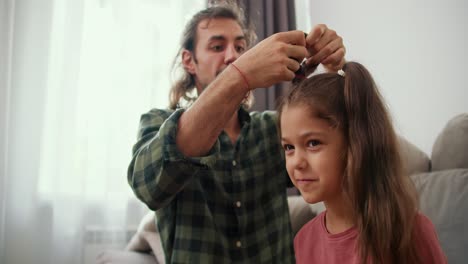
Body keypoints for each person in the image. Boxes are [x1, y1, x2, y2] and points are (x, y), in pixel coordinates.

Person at [127, 3, 345, 263]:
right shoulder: (158, 122)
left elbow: (346, 159)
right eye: (218, 47)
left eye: (241, 48)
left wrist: (335, 76)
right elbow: (148, 187)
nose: (233, 56)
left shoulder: (272, 129)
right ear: (189, 61)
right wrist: (241, 75)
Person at [278, 61, 447, 263]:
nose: (297, 162)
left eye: (313, 143)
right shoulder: (302, 242)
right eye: (289, 147)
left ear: (356, 143)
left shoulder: (411, 232)